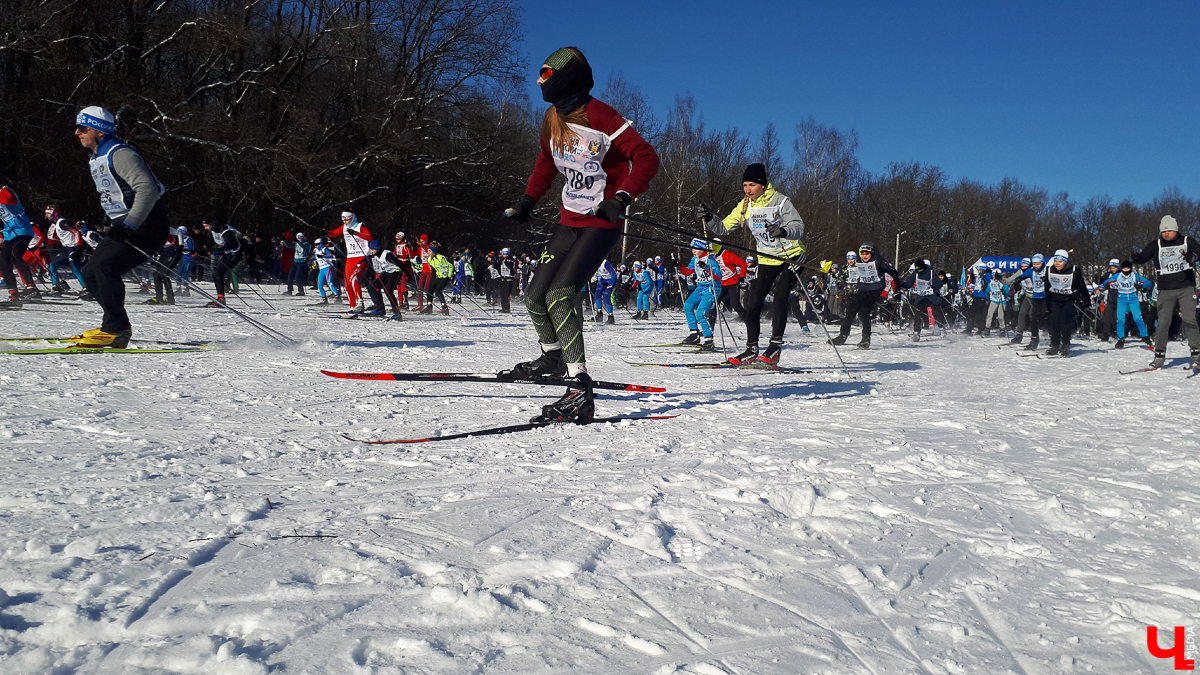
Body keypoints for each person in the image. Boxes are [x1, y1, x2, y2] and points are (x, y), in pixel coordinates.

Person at [502, 46, 658, 421]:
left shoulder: (603, 116)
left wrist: (621, 197)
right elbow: (545, 164)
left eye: (546, 74)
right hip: (568, 221)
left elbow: (647, 157)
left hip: (601, 223)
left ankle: (579, 388)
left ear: (566, 77)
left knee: (560, 296)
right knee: (535, 296)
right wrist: (528, 199)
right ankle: (553, 358)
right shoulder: (552, 118)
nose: (540, 80)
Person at [71, 106, 169, 345]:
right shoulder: (97, 157)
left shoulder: (119, 152)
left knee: (105, 266)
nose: (77, 132)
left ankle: (116, 329)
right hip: (127, 225)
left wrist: (129, 224)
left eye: (83, 128)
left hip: (146, 224)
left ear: (100, 131)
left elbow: (148, 189)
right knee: (90, 272)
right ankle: (113, 324)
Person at [697, 162, 805, 365]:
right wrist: (709, 218)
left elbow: (798, 227)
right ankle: (751, 349)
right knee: (752, 302)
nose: (748, 189)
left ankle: (774, 348)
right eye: (745, 185)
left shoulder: (780, 201)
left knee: (781, 295)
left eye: (752, 185)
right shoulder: (745, 205)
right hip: (767, 257)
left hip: (791, 254)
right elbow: (723, 227)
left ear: (763, 185)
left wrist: (783, 231)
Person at [1131, 215, 1199, 368]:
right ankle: (1159, 356)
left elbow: (1198, 253)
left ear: (1176, 230)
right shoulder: (1156, 245)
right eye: (1163, 231)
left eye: (1169, 230)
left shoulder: (1187, 241)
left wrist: (1192, 257)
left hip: (1186, 287)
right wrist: (1136, 257)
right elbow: (1143, 258)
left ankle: (1196, 353)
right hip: (1165, 290)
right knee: (1163, 323)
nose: (1166, 233)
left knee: (1189, 319)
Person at [830, 242, 900, 349]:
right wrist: (832, 272)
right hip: (863, 288)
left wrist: (897, 291)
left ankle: (865, 339)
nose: (864, 256)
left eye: (867, 253)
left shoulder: (879, 261)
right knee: (850, 309)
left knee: (864, 310)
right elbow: (846, 271)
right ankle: (842, 335)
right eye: (862, 253)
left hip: (876, 289)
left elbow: (894, 273)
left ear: (871, 253)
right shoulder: (858, 261)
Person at [1094, 260, 1153, 349]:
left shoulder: (1135, 276)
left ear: (1130, 268)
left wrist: (1141, 286)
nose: (1126, 270)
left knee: (1138, 318)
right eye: (1124, 268)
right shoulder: (1118, 276)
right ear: (1121, 269)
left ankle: (1145, 336)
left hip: (1133, 299)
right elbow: (1106, 282)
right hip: (1121, 299)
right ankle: (1120, 339)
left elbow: (1148, 283)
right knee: (1120, 320)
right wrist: (1105, 285)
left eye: (1128, 268)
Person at [1041, 249, 1089, 357]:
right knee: (1054, 323)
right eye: (1056, 261)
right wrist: (1047, 303)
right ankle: (1055, 345)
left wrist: (1086, 299)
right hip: (1054, 299)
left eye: (1060, 262)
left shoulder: (1074, 270)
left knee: (1065, 322)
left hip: (1069, 299)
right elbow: (1047, 287)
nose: (1058, 264)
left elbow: (1081, 285)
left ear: (1065, 262)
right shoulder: (1049, 270)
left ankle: (1066, 345)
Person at [0, 185, 41, 306]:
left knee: (15, 256)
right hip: (9, 232)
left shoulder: (5, 191)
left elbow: (9, 200)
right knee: (3, 261)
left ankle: (32, 288)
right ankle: (14, 294)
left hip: (22, 229)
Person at [678, 238, 718, 352]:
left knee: (700, 314)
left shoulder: (710, 259)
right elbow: (688, 271)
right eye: (692, 248)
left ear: (702, 248)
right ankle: (694, 334)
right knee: (687, 306)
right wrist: (679, 266)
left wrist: (706, 268)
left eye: (696, 248)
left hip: (710, 288)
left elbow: (718, 275)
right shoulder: (695, 259)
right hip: (700, 287)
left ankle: (709, 339)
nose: (693, 251)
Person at [326, 211, 371, 312]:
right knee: (346, 283)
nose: (345, 222)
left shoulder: (360, 226)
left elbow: (369, 237)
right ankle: (352, 305)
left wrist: (355, 233)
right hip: (350, 257)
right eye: (343, 220)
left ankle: (360, 303)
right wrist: (326, 232)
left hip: (362, 256)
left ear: (352, 218)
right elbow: (333, 233)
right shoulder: (344, 227)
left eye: (347, 219)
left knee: (353, 279)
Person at [1005, 254, 1047, 349]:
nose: (1023, 268)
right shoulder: (1026, 271)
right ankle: (1020, 335)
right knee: (1022, 313)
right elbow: (1012, 280)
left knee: (1036, 317)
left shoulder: (1045, 270)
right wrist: (1018, 280)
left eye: (1025, 266)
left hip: (1040, 297)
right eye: (1022, 266)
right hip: (1029, 296)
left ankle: (1049, 336)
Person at [899, 259, 944, 341]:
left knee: (936, 313)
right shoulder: (915, 274)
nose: (919, 270)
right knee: (918, 315)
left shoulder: (930, 273)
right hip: (921, 298)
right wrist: (901, 284)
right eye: (917, 269)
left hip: (931, 297)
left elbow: (940, 284)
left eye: (920, 269)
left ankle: (942, 328)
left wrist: (934, 285)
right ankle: (916, 333)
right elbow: (909, 284)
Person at [203, 221, 240, 307]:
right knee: (217, 274)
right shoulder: (212, 232)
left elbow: (231, 244)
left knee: (219, 273)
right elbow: (210, 243)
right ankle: (220, 298)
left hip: (235, 253)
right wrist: (208, 249)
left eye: (206, 226)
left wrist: (217, 251)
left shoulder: (223, 229)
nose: (205, 228)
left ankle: (221, 299)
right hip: (227, 254)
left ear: (212, 224)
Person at [364, 240, 403, 318]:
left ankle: (397, 312)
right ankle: (380, 309)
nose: (371, 251)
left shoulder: (387, 255)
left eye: (373, 249)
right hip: (387, 272)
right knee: (373, 286)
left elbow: (400, 264)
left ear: (378, 249)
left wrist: (409, 276)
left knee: (387, 289)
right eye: (370, 249)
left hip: (396, 272)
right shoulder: (374, 255)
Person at [312, 238, 341, 303]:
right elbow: (315, 257)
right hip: (321, 269)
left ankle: (338, 297)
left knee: (330, 283)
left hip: (327, 267)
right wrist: (309, 258)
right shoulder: (316, 250)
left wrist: (322, 256)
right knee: (319, 285)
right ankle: (324, 299)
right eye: (315, 245)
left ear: (320, 244)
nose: (315, 246)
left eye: (317, 244)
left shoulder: (324, 249)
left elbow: (330, 256)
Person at [593, 258, 618, 323]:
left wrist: (608, 283)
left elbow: (614, 275)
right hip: (602, 280)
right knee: (597, 294)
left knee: (606, 296)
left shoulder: (605, 263)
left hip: (611, 281)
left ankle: (610, 317)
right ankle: (599, 313)